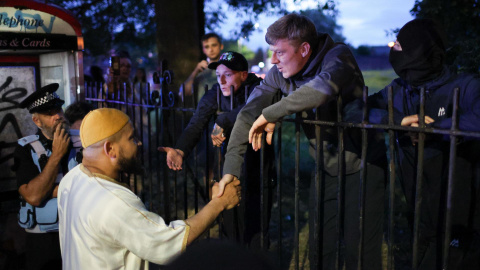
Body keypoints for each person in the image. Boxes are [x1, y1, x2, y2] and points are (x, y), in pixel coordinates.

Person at [216, 13, 386, 269]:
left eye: (280, 53)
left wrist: (272, 113)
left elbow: (321, 90)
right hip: (325, 163)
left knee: (359, 250)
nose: (273, 61)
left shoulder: (337, 57)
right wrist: (231, 168)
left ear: (305, 49)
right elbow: (248, 114)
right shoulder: (279, 72)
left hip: (362, 162)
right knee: (320, 246)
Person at [57, 108, 241, 269]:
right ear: (110, 149)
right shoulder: (113, 202)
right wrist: (220, 202)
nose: (139, 143)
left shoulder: (72, 178)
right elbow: (169, 244)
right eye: (131, 138)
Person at [364, 18, 480, 269]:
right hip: (417, 206)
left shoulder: (465, 86)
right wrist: (394, 120)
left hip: (459, 212)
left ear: (419, 52)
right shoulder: (399, 89)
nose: (393, 50)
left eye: (400, 46)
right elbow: (359, 110)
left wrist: (434, 130)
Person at [159, 51, 274, 248]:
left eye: (227, 74)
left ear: (243, 75)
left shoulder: (257, 87)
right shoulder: (215, 93)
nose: (221, 80)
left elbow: (256, 108)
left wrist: (223, 119)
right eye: (218, 74)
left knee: (257, 225)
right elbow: (196, 123)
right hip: (228, 167)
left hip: (258, 164)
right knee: (230, 226)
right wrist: (180, 150)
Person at [13, 83, 76, 270]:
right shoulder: (26, 149)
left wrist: (54, 190)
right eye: (49, 113)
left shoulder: (81, 141)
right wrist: (56, 155)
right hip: (44, 240)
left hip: (77, 231)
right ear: (37, 121)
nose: (58, 116)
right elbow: (33, 196)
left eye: (58, 109)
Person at [181, 33, 224, 103]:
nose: (211, 49)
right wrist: (196, 71)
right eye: (207, 47)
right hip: (203, 111)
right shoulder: (200, 70)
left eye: (214, 45)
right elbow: (184, 93)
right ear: (203, 50)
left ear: (221, 46)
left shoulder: (228, 67)